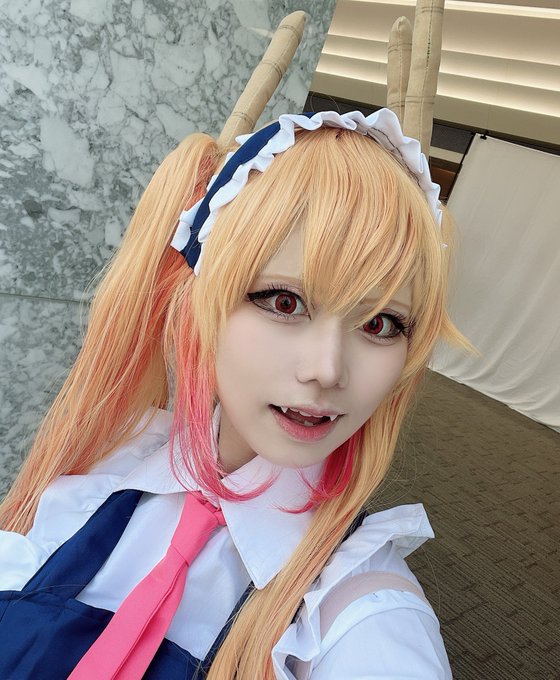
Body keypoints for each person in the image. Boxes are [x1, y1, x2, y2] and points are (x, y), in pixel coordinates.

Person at [0, 109, 460, 679]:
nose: (327, 370)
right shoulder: (110, 468)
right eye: (284, 302)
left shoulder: (362, 613)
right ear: (201, 302)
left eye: (381, 324)